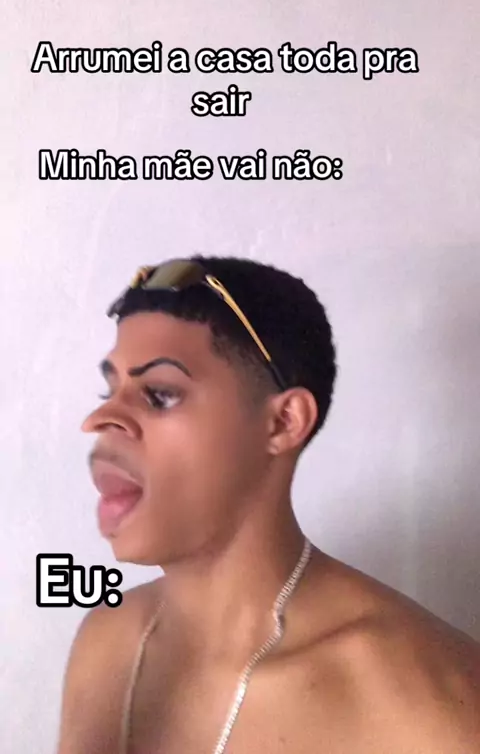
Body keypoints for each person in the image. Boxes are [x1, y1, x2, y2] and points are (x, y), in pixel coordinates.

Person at [56, 255, 480, 754]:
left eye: (160, 394)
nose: (101, 419)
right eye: (110, 390)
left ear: (282, 423)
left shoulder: (424, 701)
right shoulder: (106, 640)